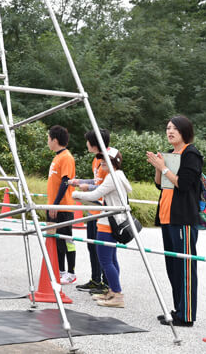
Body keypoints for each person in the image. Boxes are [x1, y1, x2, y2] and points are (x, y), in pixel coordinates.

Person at [146, 115, 202, 327]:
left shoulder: (191, 154)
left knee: (185, 266)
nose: (170, 131)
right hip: (167, 217)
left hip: (183, 218)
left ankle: (186, 315)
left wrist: (164, 167)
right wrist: (158, 166)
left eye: (175, 129)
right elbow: (161, 185)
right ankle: (178, 309)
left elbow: (184, 184)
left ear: (184, 131)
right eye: (168, 128)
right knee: (173, 267)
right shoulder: (171, 154)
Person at [72, 148, 131, 308]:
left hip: (107, 223)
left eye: (106, 159)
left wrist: (76, 195)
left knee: (105, 260)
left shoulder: (112, 177)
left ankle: (117, 294)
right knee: (111, 259)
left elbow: (94, 194)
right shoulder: (119, 175)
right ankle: (113, 291)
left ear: (114, 162)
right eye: (101, 159)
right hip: (113, 221)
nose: (102, 162)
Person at [70, 129, 110, 295]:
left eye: (88, 141)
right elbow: (96, 181)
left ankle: (106, 283)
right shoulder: (96, 160)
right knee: (92, 246)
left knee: (103, 249)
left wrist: (88, 187)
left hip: (103, 211)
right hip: (92, 210)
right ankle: (95, 280)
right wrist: (80, 181)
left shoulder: (108, 159)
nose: (86, 144)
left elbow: (106, 186)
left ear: (94, 143)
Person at [46, 125, 77, 285]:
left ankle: (71, 273)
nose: (47, 142)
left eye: (48, 138)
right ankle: (60, 270)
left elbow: (65, 182)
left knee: (66, 240)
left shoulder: (66, 157)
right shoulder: (57, 157)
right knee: (55, 240)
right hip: (53, 206)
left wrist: (56, 204)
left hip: (63, 207)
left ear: (55, 140)